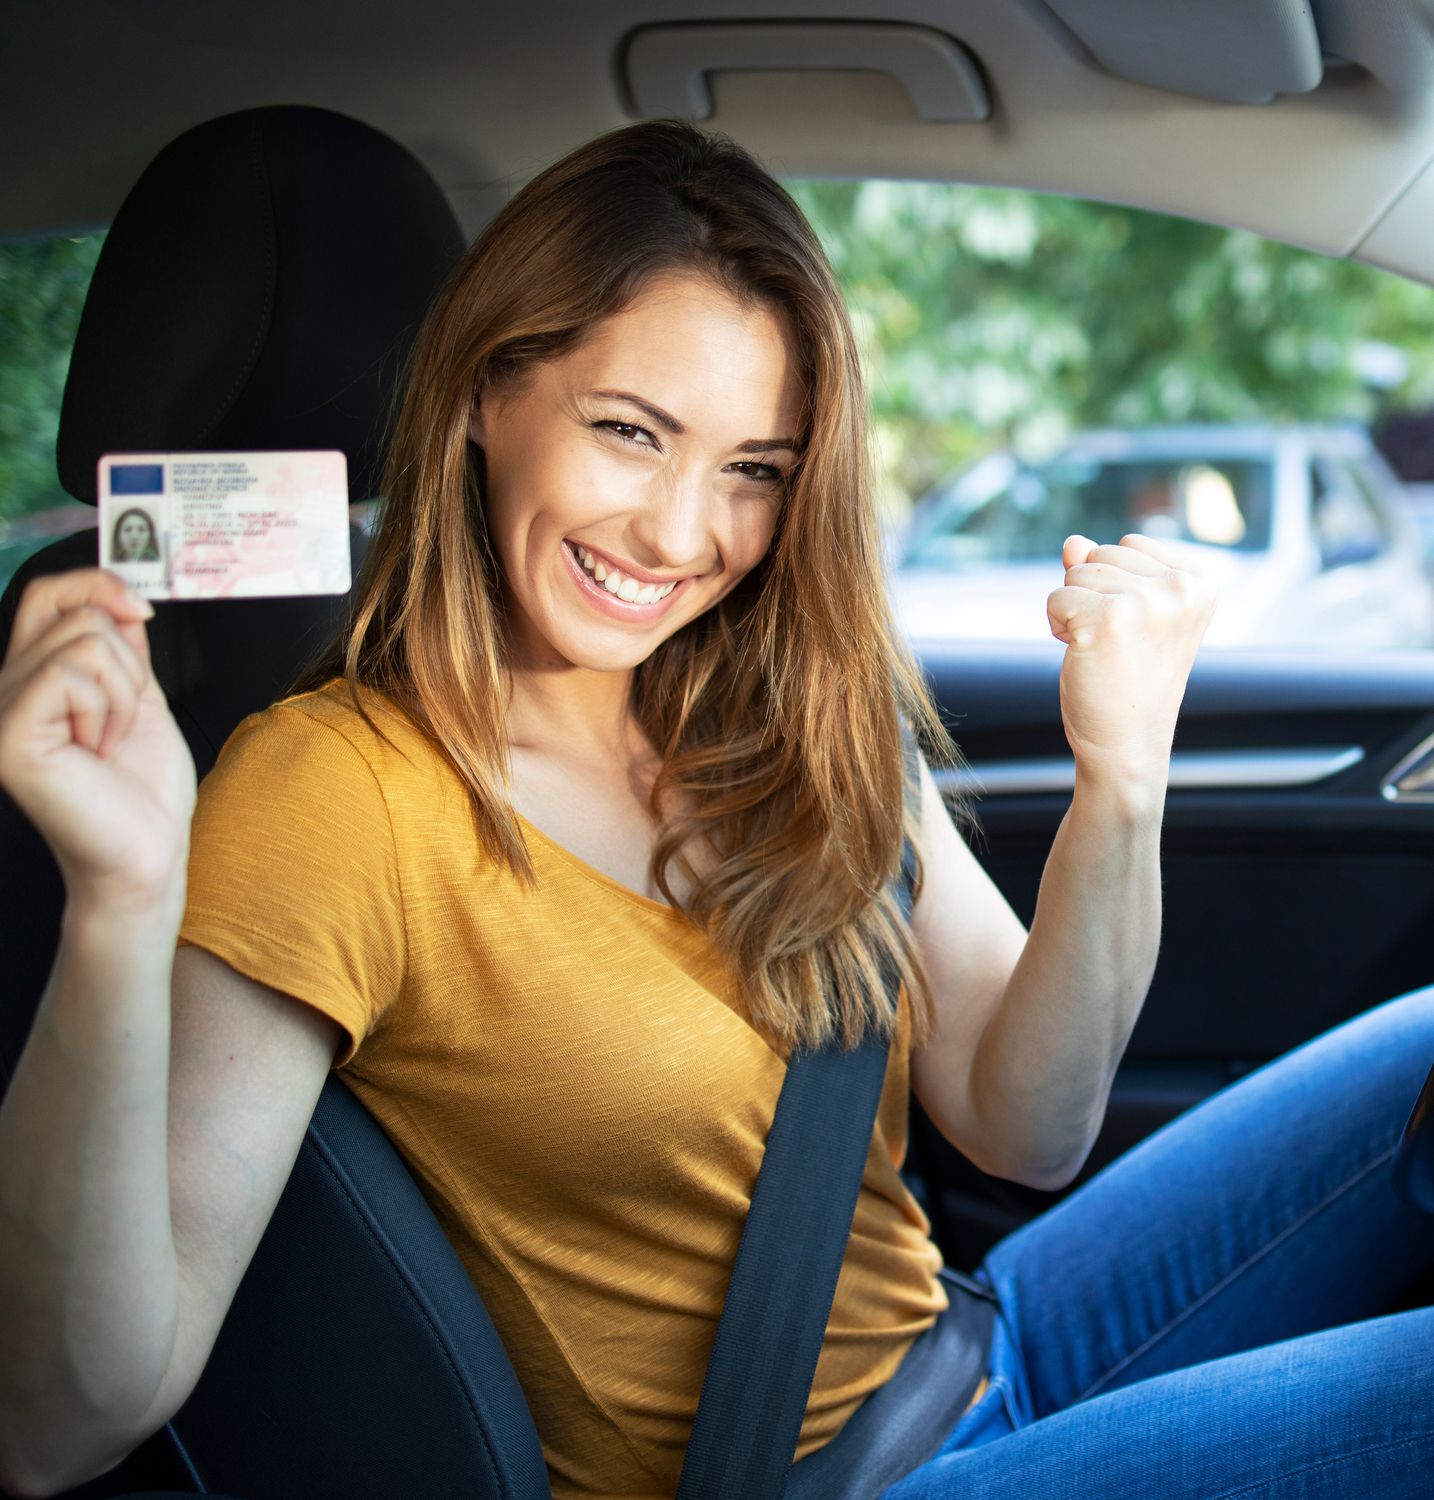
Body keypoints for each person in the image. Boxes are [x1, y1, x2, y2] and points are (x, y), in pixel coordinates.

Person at [0, 119, 1431, 1500]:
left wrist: (1120, 784)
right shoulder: (334, 792)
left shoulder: (788, 703)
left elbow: (1027, 1126)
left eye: (753, 470)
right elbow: (62, 1427)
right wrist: (117, 908)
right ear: (487, 394)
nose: (683, 536)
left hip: (973, 1347)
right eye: (630, 431)